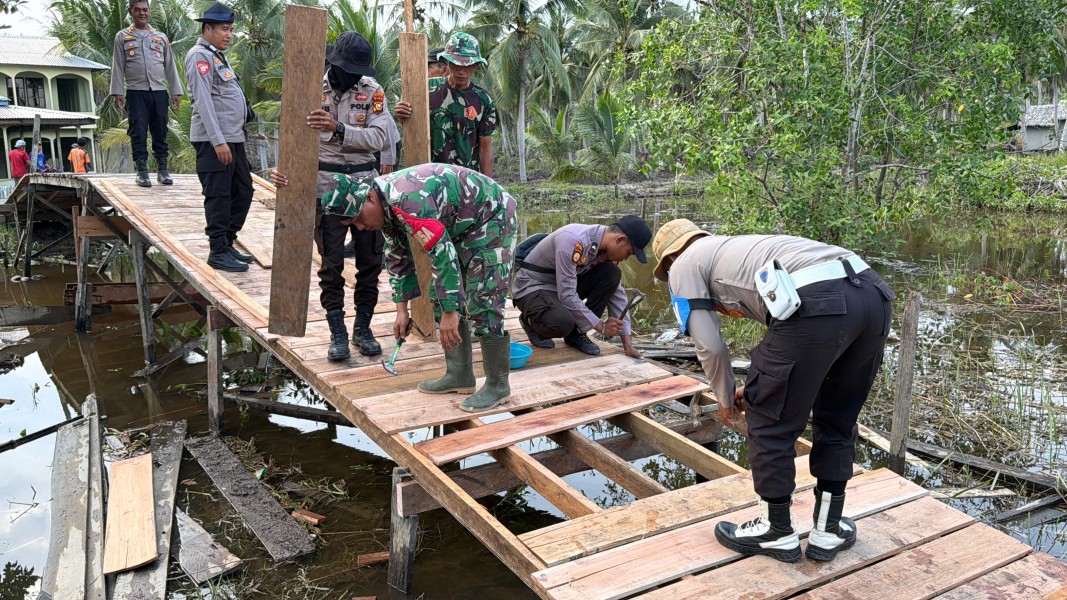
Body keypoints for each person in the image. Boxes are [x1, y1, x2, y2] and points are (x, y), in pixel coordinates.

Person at [651, 219, 895, 564]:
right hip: (872, 294)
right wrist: (756, 386)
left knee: (769, 422)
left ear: (669, 259)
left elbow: (710, 346)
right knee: (838, 418)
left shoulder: (684, 265)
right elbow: (798, 355)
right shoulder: (735, 247)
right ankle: (828, 530)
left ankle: (775, 531)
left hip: (816, 301)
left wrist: (724, 397)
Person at [320, 163, 517, 412]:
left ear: (369, 197)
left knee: (484, 298)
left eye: (359, 219)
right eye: (353, 224)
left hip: (492, 215)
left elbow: (442, 255)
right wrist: (402, 311)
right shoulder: (385, 207)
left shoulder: (407, 200)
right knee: (438, 293)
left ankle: (498, 386)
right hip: (462, 225)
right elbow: (398, 258)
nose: (360, 228)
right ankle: (460, 375)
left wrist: (450, 313)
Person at [270, 32, 398, 361]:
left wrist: (339, 129)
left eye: (359, 69)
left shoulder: (372, 91)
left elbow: (379, 136)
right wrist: (284, 169)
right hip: (324, 186)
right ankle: (337, 332)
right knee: (331, 265)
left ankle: (363, 328)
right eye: (348, 68)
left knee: (370, 263)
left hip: (364, 188)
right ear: (334, 63)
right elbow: (292, 133)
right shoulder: (310, 87)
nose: (354, 75)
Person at [511, 216, 650, 358]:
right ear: (619, 240)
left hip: (559, 286)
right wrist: (601, 326)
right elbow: (567, 294)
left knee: (612, 273)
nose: (625, 258)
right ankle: (530, 321)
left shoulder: (603, 249)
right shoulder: (573, 241)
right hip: (533, 287)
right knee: (562, 322)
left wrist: (628, 345)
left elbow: (617, 294)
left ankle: (576, 334)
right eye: (628, 253)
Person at [184, 2, 254, 273]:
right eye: (224, 29)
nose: (229, 34)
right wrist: (218, 140)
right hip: (215, 141)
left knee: (243, 191)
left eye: (231, 29)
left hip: (233, 138)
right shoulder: (199, 56)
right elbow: (203, 102)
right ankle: (217, 250)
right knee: (219, 195)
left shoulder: (216, 56)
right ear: (208, 28)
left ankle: (227, 241)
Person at [394, 33, 497, 176]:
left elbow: (485, 147)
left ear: (476, 65)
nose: (461, 70)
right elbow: (411, 124)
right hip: (428, 176)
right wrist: (402, 113)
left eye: (468, 65)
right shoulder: (425, 90)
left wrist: (487, 186)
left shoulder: (483, 100)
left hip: (465, 179)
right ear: (447, 62)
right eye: (456, 63)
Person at [110, 0, 183, 188]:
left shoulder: (160, 37)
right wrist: (117, 92)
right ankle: (141, 171)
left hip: (159, 92)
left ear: (149, 12)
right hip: (136, 92)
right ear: (130, 12)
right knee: (138, 131)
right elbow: (117, 66)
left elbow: (170, 65)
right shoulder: (122, 37)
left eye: (145, 10)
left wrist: (176, 91)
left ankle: (162, 170)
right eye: (137, 10)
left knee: (160, 130)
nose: (142, 13)